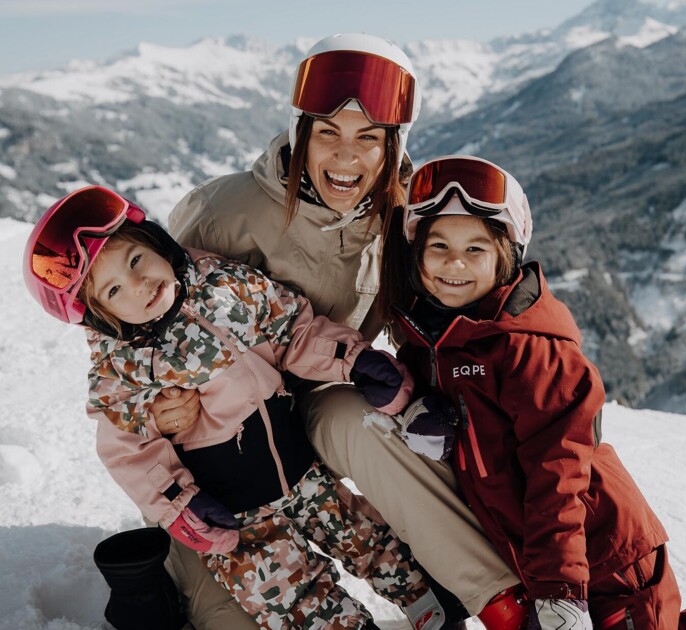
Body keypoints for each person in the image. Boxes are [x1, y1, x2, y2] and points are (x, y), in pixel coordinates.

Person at [164, 33, 520, 628]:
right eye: (328, 132)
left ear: (392, 146)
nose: (345, 157)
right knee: (225, 617)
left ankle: (495, 596)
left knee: (362, 421)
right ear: (302, 134)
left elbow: (459, 298)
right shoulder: (225, 213)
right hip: (223, 438)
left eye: (368, 138)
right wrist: (165, 403)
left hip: (319, 399)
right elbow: (137, 321)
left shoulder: (400, 221)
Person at [390, 154, 686, 630]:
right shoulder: (433, 337)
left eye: (475, 249)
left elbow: (556, 474)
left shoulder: (535, 352)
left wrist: (560, 593)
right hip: (539, 557)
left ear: (505, 257)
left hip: (606, 555)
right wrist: (427, 407)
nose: (455, 263)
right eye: (439, 246)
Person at [21, 185, 449, 629]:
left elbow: (292, 330)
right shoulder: (121, 370)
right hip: (237, 516)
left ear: (156, 242)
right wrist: (182, 504)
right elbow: (130, 451)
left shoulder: (223, 285)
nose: (139, 284)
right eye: (114, 290)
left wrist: (353, 360)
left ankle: (428, 606)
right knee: (295, 597)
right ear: (100, 314)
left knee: (366, 536)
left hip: (302, 471)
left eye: (135, 261)